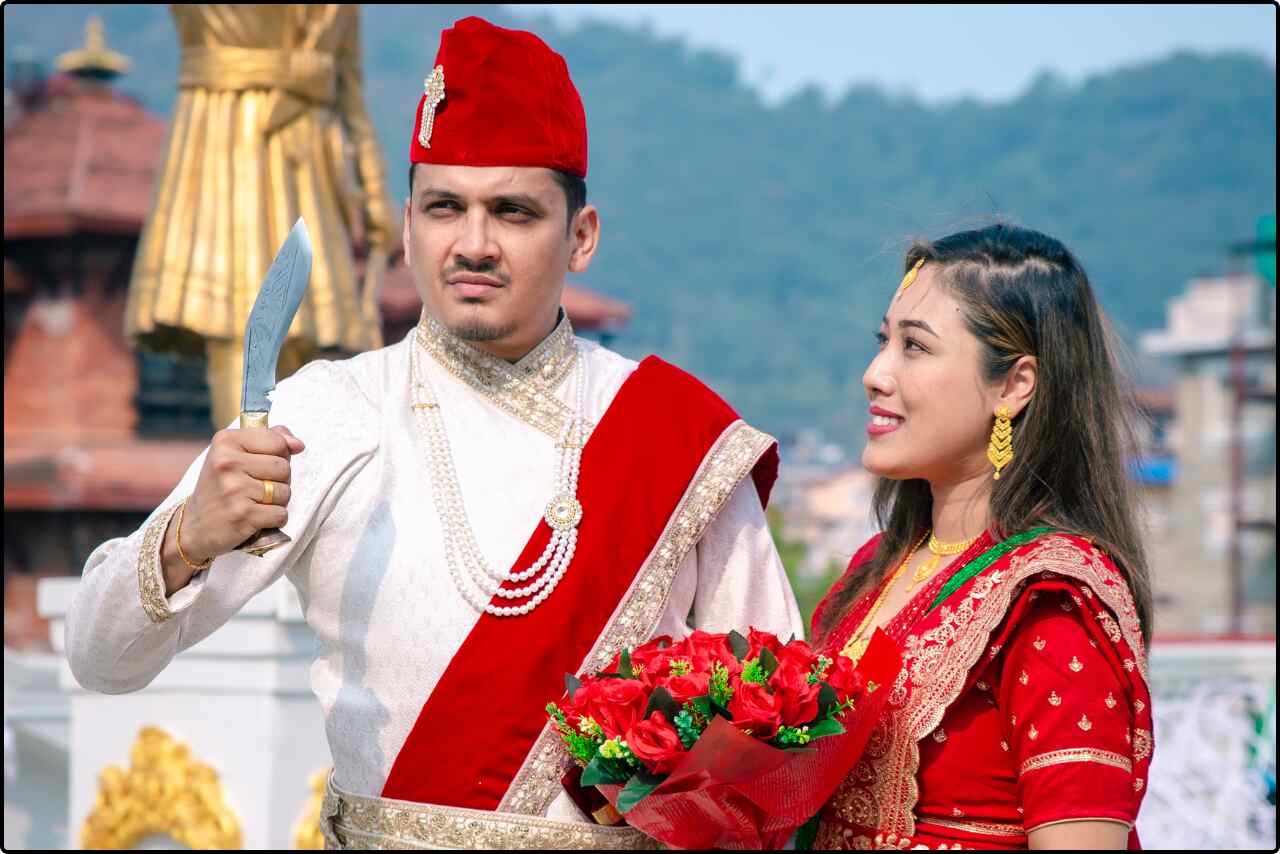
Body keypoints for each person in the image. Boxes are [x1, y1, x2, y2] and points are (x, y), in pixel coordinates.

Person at [67, 16, 802, 850]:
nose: (474, 243)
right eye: (445, 207)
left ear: (582, 236)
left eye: (514, 211)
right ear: (405, 230)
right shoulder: (326, 411)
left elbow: (776, 734)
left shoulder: (681, 438)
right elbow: (99, 660)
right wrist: (186, 541)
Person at [809, 224, 1154, 849]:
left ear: (1013, 385)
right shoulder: (874, 569)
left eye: (914, 348)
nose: (874, 373)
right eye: (884, 342)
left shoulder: (1050, 603)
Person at [124, 5, 398, 429]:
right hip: (225, 137)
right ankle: (240, 459)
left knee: (310, 336)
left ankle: (297, 478)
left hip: (309, 164)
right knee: (235, 323)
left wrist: (376, 193)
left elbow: (350, 89)